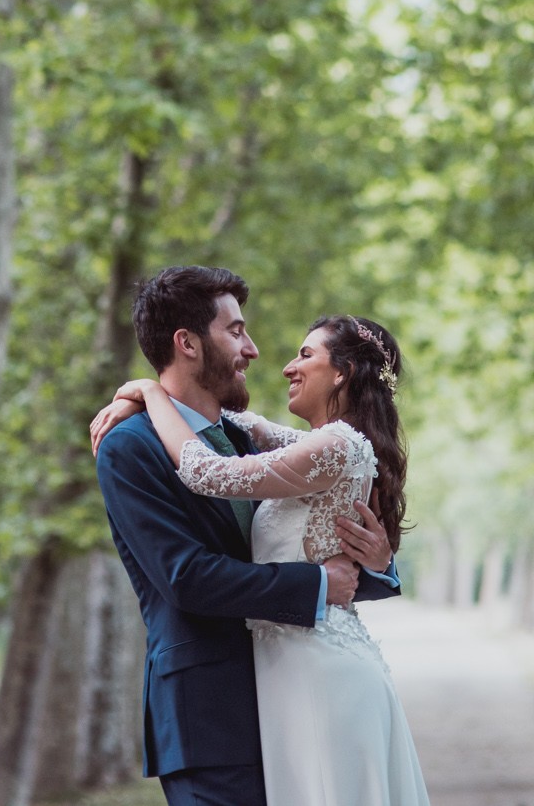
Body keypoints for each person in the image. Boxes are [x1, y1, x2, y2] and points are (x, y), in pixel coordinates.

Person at [90, 266, 416, 806]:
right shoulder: (130, 447)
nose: (255, 351)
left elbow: (318, 538)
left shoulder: (247, 441)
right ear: (188, 343)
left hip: (297, 697)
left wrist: (377, 563)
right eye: (236, 331)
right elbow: (185, 578)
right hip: (211, 718)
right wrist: (146, 395)